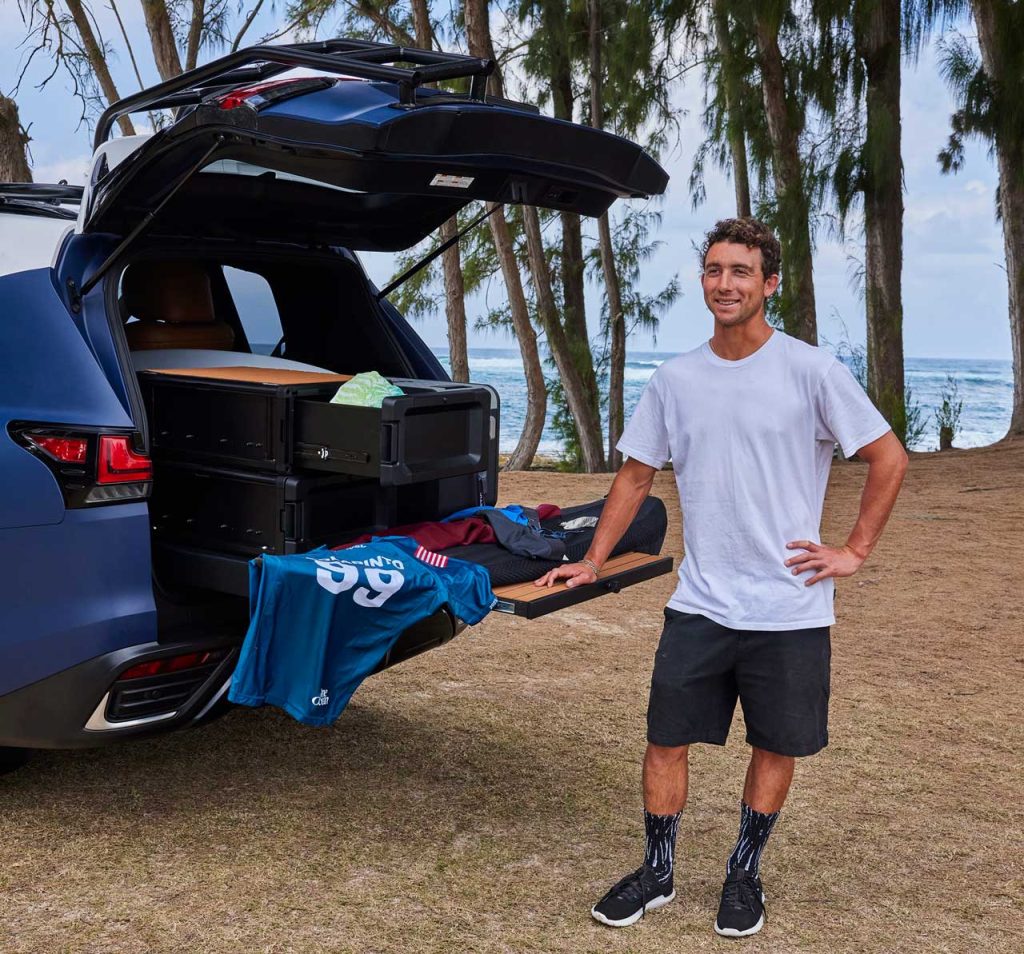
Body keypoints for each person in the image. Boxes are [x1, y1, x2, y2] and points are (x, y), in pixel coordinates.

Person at [534, 217, 908, 938]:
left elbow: (887, 457)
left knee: (775, 745)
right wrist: (593, 558)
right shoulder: (676, 380)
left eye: (741, 271)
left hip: (788, 607)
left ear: (770, 284)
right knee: (664, 740)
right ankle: (658, 871)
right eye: (714, 269)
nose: (725, 283)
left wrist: (854, 551)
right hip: (701, 602)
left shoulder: (812, 371)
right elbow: (636, 475)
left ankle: (744, 872)